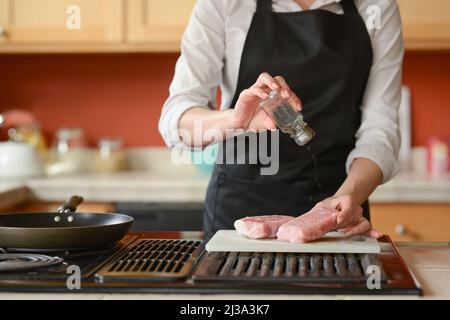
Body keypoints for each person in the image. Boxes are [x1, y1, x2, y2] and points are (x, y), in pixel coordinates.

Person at [159, 0, 403, 239]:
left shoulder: (376, 6)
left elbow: (380, 130)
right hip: (239, 210)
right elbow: (176, 122)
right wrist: (235, 119)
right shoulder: (224, 4)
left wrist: (346, 198)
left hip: (337, 210)